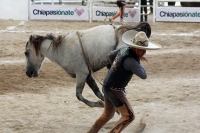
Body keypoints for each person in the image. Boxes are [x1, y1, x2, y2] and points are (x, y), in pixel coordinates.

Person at [87, 30, 162, 133]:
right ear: (135, 47)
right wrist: (138, 63)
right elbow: (143, 75)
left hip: (107, 86)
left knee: (107, 115)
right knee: (129, 116)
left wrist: (115, 68)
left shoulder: (124, 49)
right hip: (115, 90)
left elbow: (111, 56)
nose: (144, 52)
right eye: (142, 49)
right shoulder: (131, 61)